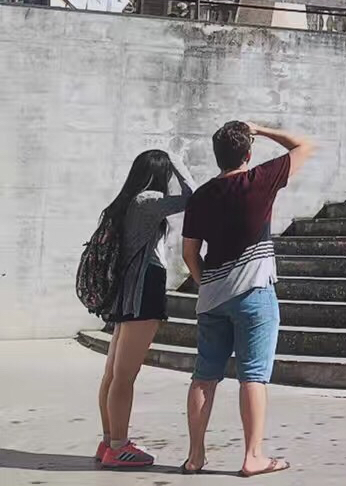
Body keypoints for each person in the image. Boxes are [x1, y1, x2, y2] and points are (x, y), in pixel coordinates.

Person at [181, 121, 315, 477]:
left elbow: (189, 252)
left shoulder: (202, 196)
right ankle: (252, 456)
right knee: (253, 376)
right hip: (255, 294)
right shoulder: (261, 179)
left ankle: (195, 456)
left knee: (204, 377)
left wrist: (205, 283)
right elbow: (303, 145)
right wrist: (261, 128)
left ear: (217, 155)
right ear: (248, 153)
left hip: (212, 298)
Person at [95, 150, 195, 469]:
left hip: (128, 291)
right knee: (125, 375)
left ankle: (110, 441)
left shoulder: (127, 201)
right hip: (143, 288)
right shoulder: (148, 200)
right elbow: (193, 197)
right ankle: (119, 447)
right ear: (159, 174)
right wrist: (176, 162)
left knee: (114, 373)